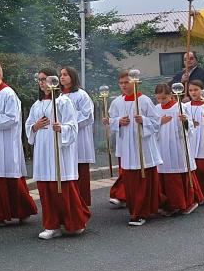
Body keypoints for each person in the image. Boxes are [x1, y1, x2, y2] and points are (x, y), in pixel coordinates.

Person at [26, 70, 91, 239]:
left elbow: (73, 125)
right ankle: (51, 225)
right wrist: (35, 126)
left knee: (63, 188)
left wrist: (62, 128)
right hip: (43, 150)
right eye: (39, 80)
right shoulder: (37, 105)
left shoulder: (63, 102)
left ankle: (75, 223)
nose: (41, 83)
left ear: (53, 81)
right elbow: (28, 125)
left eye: (44, 79)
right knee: (46, 189)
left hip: (59, 151)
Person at [0, 61, 37, 226]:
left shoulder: (9, 94)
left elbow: (12, 119)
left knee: (9, 177)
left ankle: (22, 211)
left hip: (5, 145)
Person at [104, 71, 162, 226]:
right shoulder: (117, 102)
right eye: (121, 83)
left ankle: (141, 212)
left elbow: (156, 122)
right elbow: (112, 119)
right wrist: (117, 121)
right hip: (127, 146)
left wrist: (143, 120)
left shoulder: (144, 101)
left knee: (143, 179)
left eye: (126, 82)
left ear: (135, 82)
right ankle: (134, 209)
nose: (124, 86)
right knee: (130, 180)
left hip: (142, 146)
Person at [153, 83, 199, 215]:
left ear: (170, 95)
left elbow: (190, 127)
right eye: (159, 99)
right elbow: (151, 126)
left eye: (164, 98)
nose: (161, 101)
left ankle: (184, 202)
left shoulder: (180, 107)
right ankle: (168, 204)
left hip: (177, 145)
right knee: (163, 174)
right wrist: (160, 121)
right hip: (161, 145)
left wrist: (185, 121)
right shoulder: (156, 109)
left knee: (177, 174)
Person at [59, 66, 96, 207]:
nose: (62, 77)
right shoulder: (60, 96)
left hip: (79, 137)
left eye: (65, 74)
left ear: (73, 77)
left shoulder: (81, 94)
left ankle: (83, 202)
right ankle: (71, 202)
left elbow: (87, 115)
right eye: (61, 75)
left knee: (81, 170)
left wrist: (70, 123)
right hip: (65, 137)